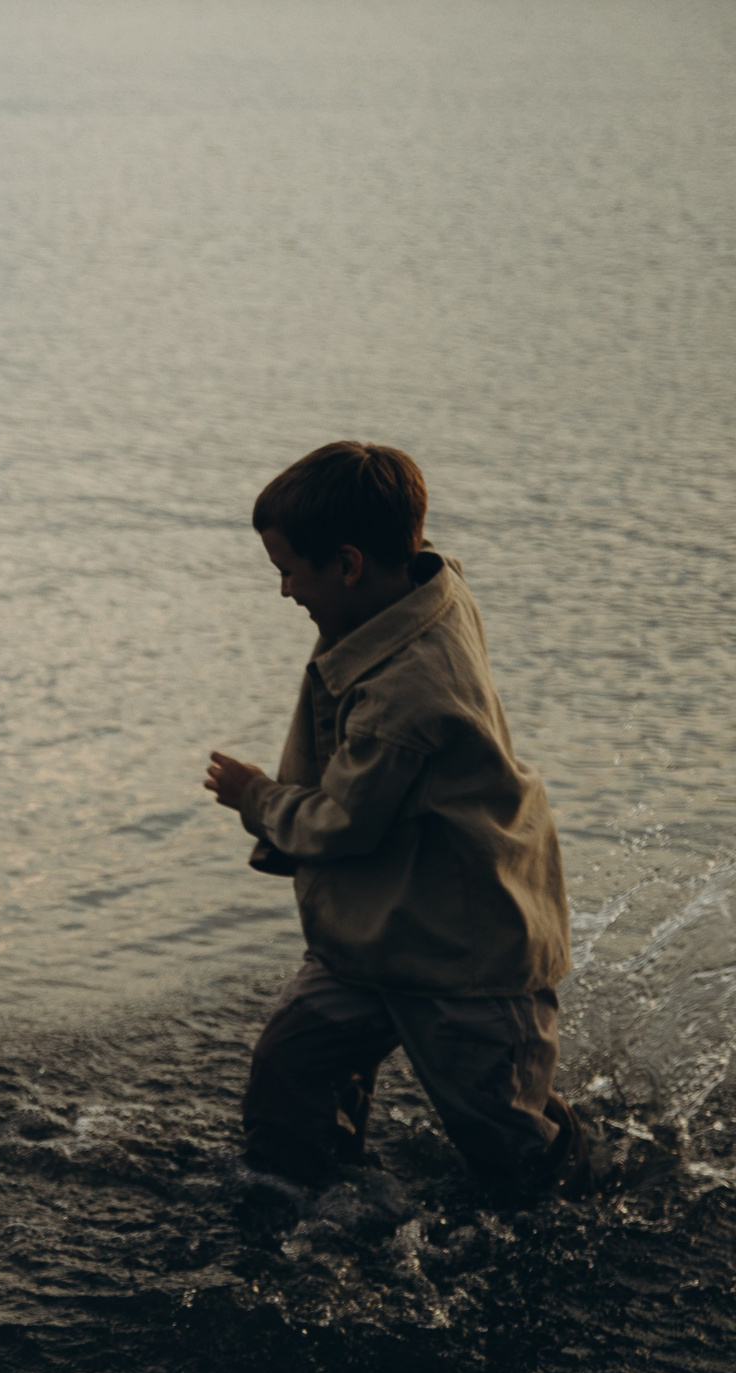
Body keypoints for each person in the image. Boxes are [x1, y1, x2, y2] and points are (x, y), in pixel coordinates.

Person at [203, 441, 586, 1204]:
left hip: (469, 951)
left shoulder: (405, 697)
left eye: (288, 570)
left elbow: (343, 822)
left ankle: (589, 1191)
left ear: (348, 565)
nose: (283, 591)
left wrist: (257, 797)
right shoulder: (422, 585)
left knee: (512, 1154)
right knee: (292, 1069)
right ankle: (309, 1204)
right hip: (375, 933)